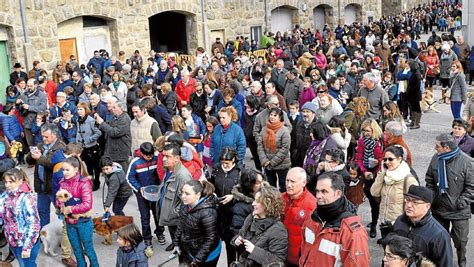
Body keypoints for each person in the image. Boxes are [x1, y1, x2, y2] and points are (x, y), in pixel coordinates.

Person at [300, 172, 369, 266]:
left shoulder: (353, 232)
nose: (318, 196)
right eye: (317, 191)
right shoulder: (313, 217)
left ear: (338, 193)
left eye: (324, 191)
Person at [425, 133, 474, 267]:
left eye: (437, 146)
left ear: (446, 148)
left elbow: (472, 187)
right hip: (438, 209)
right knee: (439, 240)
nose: (435, 149)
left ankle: (461, 263)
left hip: (459, 211)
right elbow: (429, 178)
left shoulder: (467, 162)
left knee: (461, 242)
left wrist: (460, 203)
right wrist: (432, 197)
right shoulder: (436, 158)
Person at [392, 185, 453, 267]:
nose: (409, 205)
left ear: (427, 206)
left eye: (415, 202)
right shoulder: (400, 221)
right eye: (408, 200)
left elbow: (445, 263)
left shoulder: (439, 234)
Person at [57, 156, 98, 267]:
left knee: (88, 250)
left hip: (83, 222)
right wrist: (60, 204)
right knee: (77, 251)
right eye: (63, 170)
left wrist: (70, 209)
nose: (64, 173)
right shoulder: (62, 182)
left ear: (76, 169)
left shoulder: (84, 183)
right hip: (69, 222)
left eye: (67, 170)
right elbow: (59, 200)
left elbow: (87, 204)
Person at [370, 146, 418, 240]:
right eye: (385, 159)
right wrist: (382, 174)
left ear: (400, 159)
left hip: (400, 225)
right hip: (385, 222)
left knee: (397, 253)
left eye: (390, 159)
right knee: (387, 252)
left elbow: (416, 203)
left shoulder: (408, 179)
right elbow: (374, 193)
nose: (387, 162)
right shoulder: (385, 175)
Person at [231, 186, 288, 266]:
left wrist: (255, 251)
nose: (253, 203)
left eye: (257, 201)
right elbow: (240, 235)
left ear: (268, 204)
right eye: (254, 200)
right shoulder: (251, 218)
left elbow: (278, 262)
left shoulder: (278, 230)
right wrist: (236, 241)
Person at [173, 180, 221, 266]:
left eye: (187, 194)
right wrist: (176, 243)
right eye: (182, 192)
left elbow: (210, 240)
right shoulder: (185, 204)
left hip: (208, 256)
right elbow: (181, 224)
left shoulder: (208, 213)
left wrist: (196, 262)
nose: (183, 196)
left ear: (198, 195)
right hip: (191, 250)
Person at [0, 168, 41, 267]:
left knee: (26, 265)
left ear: (20, 181)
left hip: (25, 243)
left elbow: (34, 224)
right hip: (12, 240)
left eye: (11, 182)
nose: (7, 185)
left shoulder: (27, 198)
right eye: (6, 182)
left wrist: (27, 247)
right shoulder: (5, 195)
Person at [157, 144, 193, 252]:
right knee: (175, 241)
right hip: (170, 219)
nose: (163, 159)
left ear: (177, 158)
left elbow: (186, 202)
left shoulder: (182, 176)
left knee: (182, 249)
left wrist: (173, 213)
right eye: (163, 156)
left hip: (176, 221)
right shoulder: (169, 170)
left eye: (167, 156)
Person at [208, 148, 240, 265]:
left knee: (230, 247)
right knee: (213, 245)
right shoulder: (216, 169)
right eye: (223, 163)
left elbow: (245, 192)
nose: (225, 166)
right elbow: (211, 184)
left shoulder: (240, 171)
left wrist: (233, 196)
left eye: (227, 163)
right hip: (217, 213)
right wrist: (213, 193)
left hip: (232, 215)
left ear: (233, 160)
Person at [126, 142, 159, 251]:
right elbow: (130, 178)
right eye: (147, 156)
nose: (149, 158)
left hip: (155, 192)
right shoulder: (135, 162)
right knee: (145, 217)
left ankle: (159, 232)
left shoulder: (157, 158)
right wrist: (139, 188)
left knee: (158, 214)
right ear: (141, 153)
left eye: (151, 155)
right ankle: (147, 238)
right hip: (142, 194)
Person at [355, 118, 384, 238]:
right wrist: (364, 171)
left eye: (368, 130)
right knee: (366, 199)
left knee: (375, 202)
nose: (366, 133)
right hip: (366, 173)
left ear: (374, 131)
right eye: (364, 130)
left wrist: (377, 163)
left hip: (377, 174)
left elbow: (383, 158)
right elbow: (359, 158)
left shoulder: (379, 142)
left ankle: (374, 224)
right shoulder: (362, 142)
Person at [281, 167, 316, 267]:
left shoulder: (312, 205)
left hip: (298, 260)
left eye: (293, 181)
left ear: (304, 183)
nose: (288, 185)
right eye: (287, 180)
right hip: (281, 254)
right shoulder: (281, 198)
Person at [256, 107, 291, 192]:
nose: (272, 117)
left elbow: (285, 148)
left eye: (275, 115)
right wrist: (264, 161)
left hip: (282, 164)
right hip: (267, 163)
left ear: (280, 117)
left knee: (283, 186)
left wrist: (272, 162)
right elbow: (260, 145)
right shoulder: (264, 129)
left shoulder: (284, 130)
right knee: (270, 186)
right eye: (271, 115)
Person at [95, 100, 132, 172]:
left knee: (122, 174)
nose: (112, 109)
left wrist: (102, 123)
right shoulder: (115, 117)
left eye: (114, 107)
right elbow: (109, 124)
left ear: (121, 109)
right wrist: (99, 122)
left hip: (120, 154)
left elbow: (114, 132)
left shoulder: (125, 119)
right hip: (113, 151)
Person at [76, 102, 102, 191]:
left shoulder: (90, 120)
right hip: (84, 147)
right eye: (78, 109)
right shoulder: (78, 120)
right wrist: (78, 142)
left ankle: (97, 182)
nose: (79, 111)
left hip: (92, 147)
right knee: (88, 166)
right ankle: (91, 182)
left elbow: (98, 132)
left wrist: (90, 139)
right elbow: (78, 132)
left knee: (96, 167)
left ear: (85, 110)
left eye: (81, 109)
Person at [18, 78, 48, 147]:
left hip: (38, 123)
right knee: (30, 144)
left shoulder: (42, 95)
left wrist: (29, 107)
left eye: (30, 86)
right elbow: (19, 110)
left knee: (40, 144)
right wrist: (18, 104)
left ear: (36, 85)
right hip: (27, 122)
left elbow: (42, 108)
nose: (28, 88)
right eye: (27, 86)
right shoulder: (24, 94)